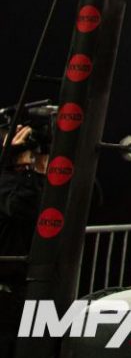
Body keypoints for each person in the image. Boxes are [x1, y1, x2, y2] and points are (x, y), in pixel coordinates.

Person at [0, 124, 49, 351]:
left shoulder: (28, 181)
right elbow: (21, 207)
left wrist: (42, 165)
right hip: (7, 289)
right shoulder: (7, 182)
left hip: (28, 284)